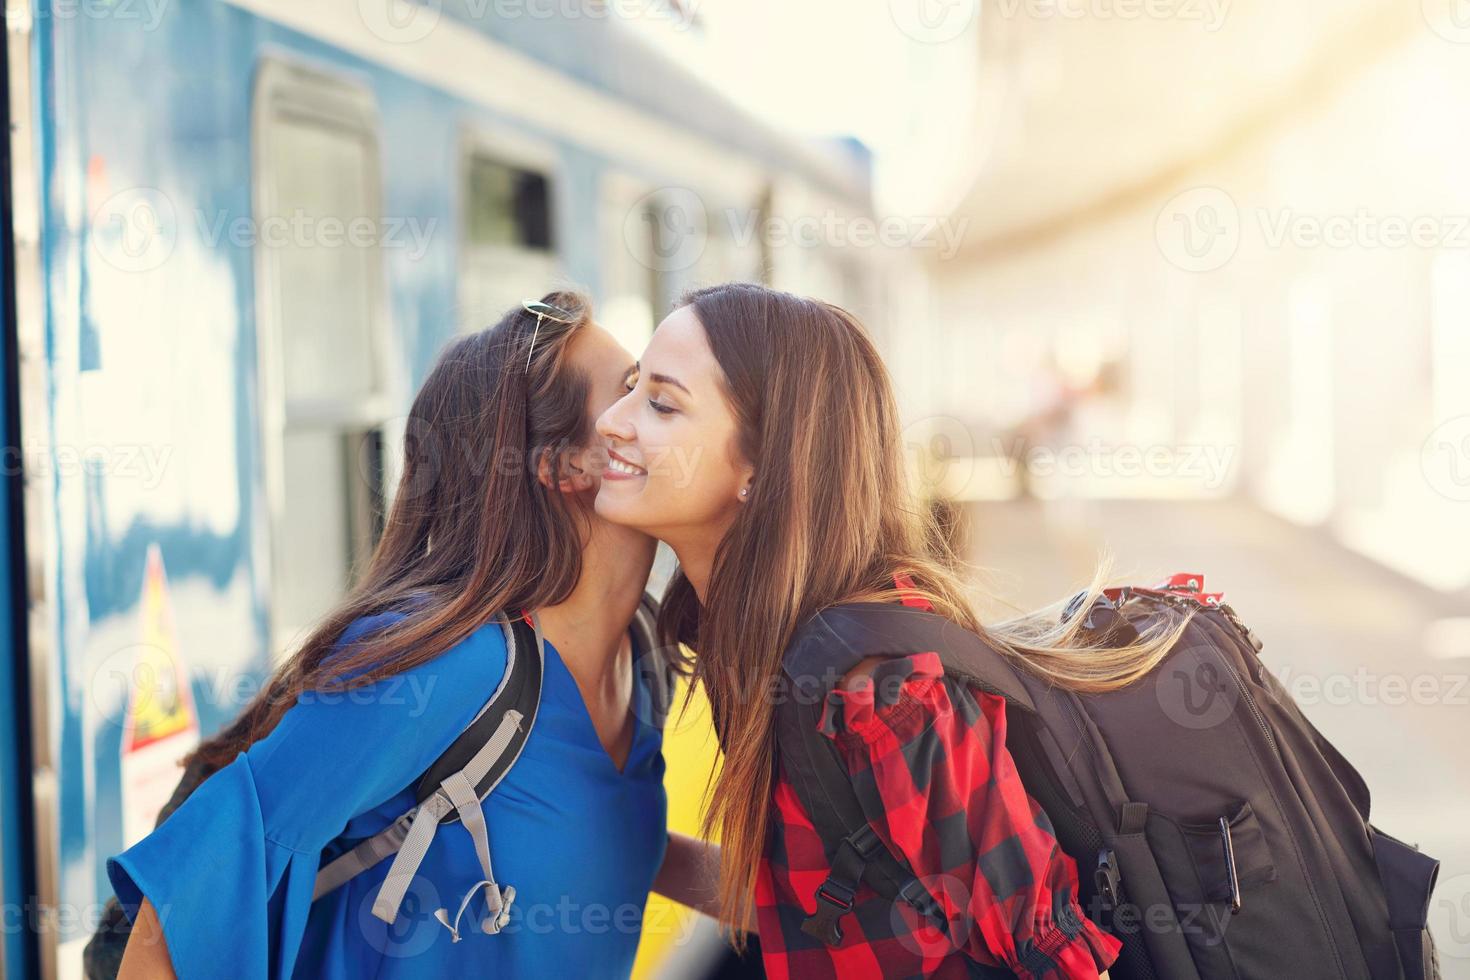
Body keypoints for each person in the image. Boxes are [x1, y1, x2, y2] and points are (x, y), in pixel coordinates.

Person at [108, 292, 716, 979]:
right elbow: (193, 895)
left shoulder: (643, 656)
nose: (655, 417)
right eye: (632, 392)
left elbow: (578, 831)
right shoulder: (454, 668)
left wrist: (787, 898)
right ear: (559, 467)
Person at [591, 282, 1188, 977]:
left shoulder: (881, 690)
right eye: (631, 387)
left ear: (761, 465)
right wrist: (621, 841)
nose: (612, 420)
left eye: (661, 403)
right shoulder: (754, 640)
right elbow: (812, 908)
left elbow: (1059, 961)